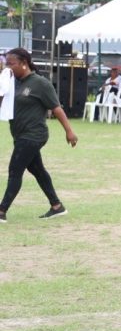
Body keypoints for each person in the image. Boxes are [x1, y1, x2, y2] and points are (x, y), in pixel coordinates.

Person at [0, 48, 78, 223]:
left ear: (24, 64)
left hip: (34, 134)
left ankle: (2, 210)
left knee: (15, 170)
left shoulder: (40, 83)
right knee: (36, 169)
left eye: (11, 64)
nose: (7, 67)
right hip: (20, 134)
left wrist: (69, 131)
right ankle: (57, 206)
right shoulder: (12, 82)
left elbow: (56, 108)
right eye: (6, 63)